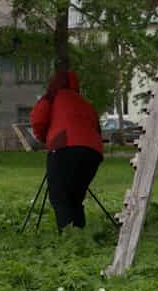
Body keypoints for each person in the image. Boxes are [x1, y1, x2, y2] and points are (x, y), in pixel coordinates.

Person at [29, 69, 104, 230]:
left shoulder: (51, 97)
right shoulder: (85, 103)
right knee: (75, 197)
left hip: (63, 147)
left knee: (60, 197)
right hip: (93, 153)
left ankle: (69, 236)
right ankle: (79, 233)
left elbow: (37, 120)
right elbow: (97, 128)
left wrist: (46, 139)